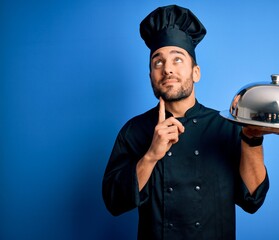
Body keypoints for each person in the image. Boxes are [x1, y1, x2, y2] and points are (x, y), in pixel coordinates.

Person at [102, 5, 269, 240]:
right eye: (157, 62)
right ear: (150, 75)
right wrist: (151, 155)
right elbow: (113, 202)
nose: (167, 69)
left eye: (177, 59)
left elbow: (253, 199)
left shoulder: (225, 125)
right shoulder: (134, 131)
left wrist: (252, 137)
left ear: (196, 72)